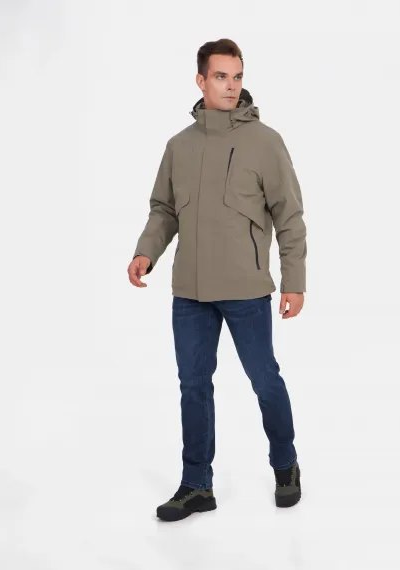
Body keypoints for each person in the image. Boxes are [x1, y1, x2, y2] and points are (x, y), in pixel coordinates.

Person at [128, 38, 307, 522]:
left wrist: (293, 280)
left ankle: (285, 464)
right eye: (222, 76)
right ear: (201, 80)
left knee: (264, 379)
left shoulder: (265, 141)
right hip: (190, 292)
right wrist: (147, 251)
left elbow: (289, 214)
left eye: (238, 76)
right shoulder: (179, 146)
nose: (231, 85)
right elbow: (164, 209)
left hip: (247, 288)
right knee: (193, 386)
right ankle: (196, 485)